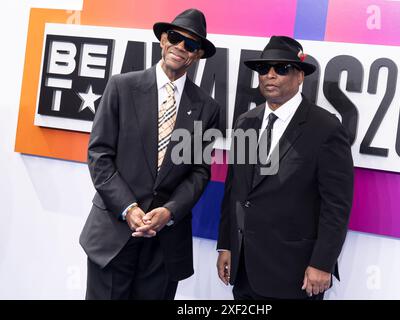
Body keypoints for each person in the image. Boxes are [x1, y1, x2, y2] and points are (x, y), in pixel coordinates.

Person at [80, 8, 220, 300]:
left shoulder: (207, 107)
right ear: (162, 40)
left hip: (165, 244)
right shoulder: (122, 87)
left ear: (197, 55)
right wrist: (129, 208)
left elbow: (199, 172)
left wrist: (170, 211)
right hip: (113, 236)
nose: (180, 47)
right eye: (175, 37)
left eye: (191, 44)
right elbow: (99, 155)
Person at [216, 36, 354, 300]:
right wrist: (226, 245)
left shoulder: (326, 128)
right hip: (245, 269)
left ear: (300, 76)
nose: (270, 75)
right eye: (264, 69)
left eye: (281, 68)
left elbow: (336, 206)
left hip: (295, 274)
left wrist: (323, 263)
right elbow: (234, 190)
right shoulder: (246, 122)